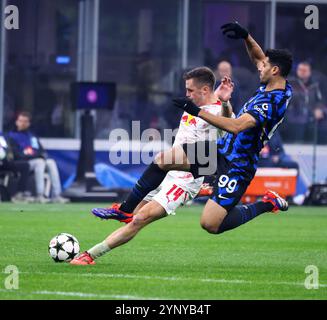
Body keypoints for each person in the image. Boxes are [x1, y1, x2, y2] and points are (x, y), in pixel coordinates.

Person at [71, 21, 293, 265]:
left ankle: (266, 204)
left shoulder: (272, 102)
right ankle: (125, 209)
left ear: (275, 71)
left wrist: (195, 111)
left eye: (265, 65)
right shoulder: (271, 82)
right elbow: (259, 56)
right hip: (218, 152)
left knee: (210, 224)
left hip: (238, 164)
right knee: (163, 160)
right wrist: (247, 36)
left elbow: (237, 126)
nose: (259, 66)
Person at [71, 70, 234, 265]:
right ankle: (119, 216)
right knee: (132, 219)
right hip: (167, 172)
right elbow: (209, 97)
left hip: (185, 182)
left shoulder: (219, 110)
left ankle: (90, 255)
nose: (187, 94)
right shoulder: (196, 103)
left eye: (190, 90)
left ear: (204, 89)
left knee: (140, 219)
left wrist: (225, 101)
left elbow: (228, 123)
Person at [6, 111, 69, 203]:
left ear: (28, 123)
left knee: (51, 162)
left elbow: (41, 151)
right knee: (39, 162)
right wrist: (33, 155)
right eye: (20, 121)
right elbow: (16, 154)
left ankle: (56, 195)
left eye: (25, 121)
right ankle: (40, 195)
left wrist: (38, 155)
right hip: (23, 163)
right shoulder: (11, 136)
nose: (22, 123)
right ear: (16, 122)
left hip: (36, 160)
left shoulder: (32, 136)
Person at [285, 61, 327, 143]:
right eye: (300, 70)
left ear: (310, 72)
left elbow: (320, 100)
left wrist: (318, 109)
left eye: (305, 70)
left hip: (310, 118)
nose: (302, 72)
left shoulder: (315, 85)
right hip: (294, 118)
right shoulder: (290, 83)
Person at [0, 132, 32, 203]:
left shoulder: (2, 136)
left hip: (4, 163)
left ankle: (20, 193)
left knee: (25, 165)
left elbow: (5, 151)